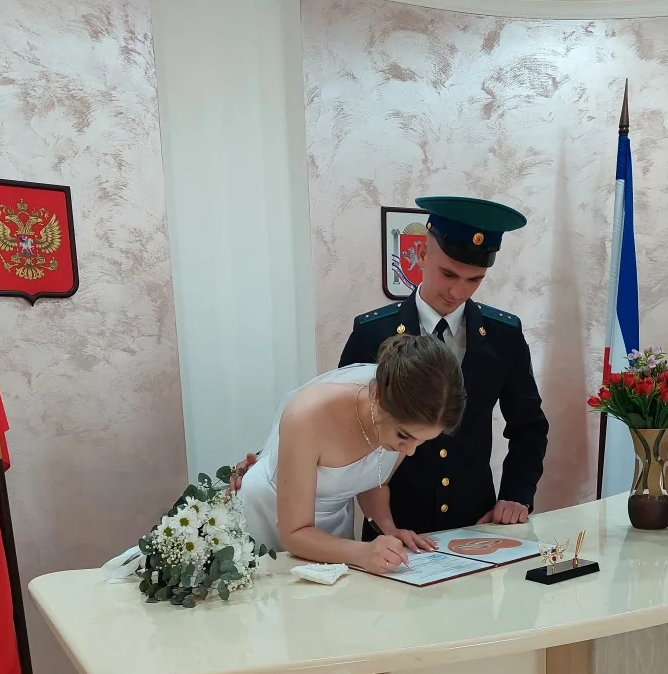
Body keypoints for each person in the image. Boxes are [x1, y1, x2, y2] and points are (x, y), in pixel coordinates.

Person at [233, 196, 548, 537]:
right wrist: (268, 462)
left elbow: (529, 425)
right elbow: (336, 411)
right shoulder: (374, 331)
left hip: (473, 521)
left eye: (474, 279)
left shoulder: (503, 335)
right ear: (422, 254)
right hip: (392, 523)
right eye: (448, 274)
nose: (457, 292)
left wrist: (517, 493)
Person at [239, 333, 465, 576]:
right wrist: (362, 552)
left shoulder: (402, 417)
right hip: (272, 519)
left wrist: (388, 529)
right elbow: (293, 533)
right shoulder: (308, 416)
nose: (410, 450)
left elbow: (373, 477)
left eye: (421, 441)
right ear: (376, 395)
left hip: (332, 528)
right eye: (404, 436)